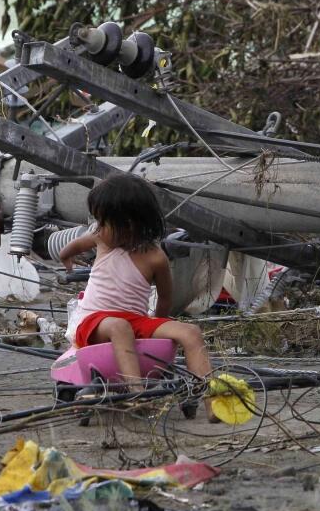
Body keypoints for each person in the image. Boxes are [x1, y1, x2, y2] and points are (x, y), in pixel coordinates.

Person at [59, 174, 219, 421]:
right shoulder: (101, 239)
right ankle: (137, 395)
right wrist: (66, 260)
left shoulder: (156, 258)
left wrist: (158, 328)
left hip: (134, 320)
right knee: (120, 327)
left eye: (105, 221)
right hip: (94, 320)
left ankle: (211, 400)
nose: (98, 227)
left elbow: (165, 299)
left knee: (191, 332)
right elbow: (71, 247)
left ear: (131, 224)